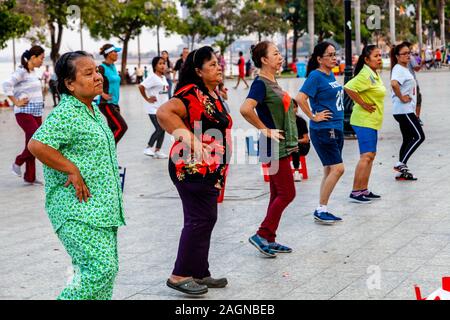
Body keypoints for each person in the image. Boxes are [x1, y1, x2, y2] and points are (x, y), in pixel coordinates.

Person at [28, 51, 126, 300]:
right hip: (76, 209)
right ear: (70, 84)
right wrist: (71, 169)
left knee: (105, 276)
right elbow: (37, 145)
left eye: (96, 71)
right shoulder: (67, 112)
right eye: (88, 73)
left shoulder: (91, 109)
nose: (97, 77)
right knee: (99, 271)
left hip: (101, 210)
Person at [157, 46, 232, 295]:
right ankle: (179, 275)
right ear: (198, 71)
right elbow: (164, 112)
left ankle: (199, 272)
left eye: (217, 63)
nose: (218, 67)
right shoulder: (190, 94)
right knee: (199, 219)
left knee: (207, 218)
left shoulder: (210, 93)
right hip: (190, 168)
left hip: (210, 168)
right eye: (212, 65)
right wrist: (190, 139)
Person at [240, 41, 298, 257]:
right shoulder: (260, 83)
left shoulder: (272, 81)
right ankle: (262, 233)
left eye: (279, 53)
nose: (280, 57)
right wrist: (265, 130)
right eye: (275, 53)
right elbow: (245, 109)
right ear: (264, 60)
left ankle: (270, 238)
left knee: (277, 193)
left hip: (279, 144)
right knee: (288, 193)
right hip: (273, 146)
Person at [295, 41, 345, 225]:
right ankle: (320, 209)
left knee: (329, 169)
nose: (334, 58)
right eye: (330, 55)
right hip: (324, 129)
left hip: (336, 127)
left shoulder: (330, 74)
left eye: (335, 54)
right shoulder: (315, 76)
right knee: (338, 169)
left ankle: (322, 208)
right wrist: (313, 116)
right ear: (319, 59)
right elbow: (300, 98)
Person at [344, 45, 386, 203]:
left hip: (372, 120)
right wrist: (362, 103)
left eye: (380, 55)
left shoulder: (373, 73)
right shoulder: (365, 74)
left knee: (370, 156)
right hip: (364, 120)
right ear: (367, 59)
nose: (379, 58)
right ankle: (356, 191)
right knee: (366, 156)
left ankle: (363, 189)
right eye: (376, 56)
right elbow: (348, 87)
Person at [2, 45, 45, 185]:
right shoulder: (21, 71)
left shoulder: (32, 72)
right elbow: (6, 84)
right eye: (41, 58)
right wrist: (15, 102)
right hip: (24, 112)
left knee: (31, 142)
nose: (42, 61)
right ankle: (18, 162)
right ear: (33, 57)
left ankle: (30, 177)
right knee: (36, 140)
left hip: (36, 112)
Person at [390, 42, 425, 181]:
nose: (407, 55)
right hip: (403, 110)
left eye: (409, 53)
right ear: (397, 56)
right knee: (419, 137)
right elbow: (394, 84)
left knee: (407, 139)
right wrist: (401, 97)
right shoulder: (398, 68)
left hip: (404, 110)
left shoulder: (404, 68)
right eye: (404, 53)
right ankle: (400, 164)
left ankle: (402, 173)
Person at [97, 44, 128, 145]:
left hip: (114, 102)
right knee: (122, 127)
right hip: (105, 103)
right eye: (115, 52)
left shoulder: (113, 67)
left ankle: (110, 159)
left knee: (113, 130)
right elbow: (93, 82)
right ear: (108, 54)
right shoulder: (101, 68)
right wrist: (102, 93)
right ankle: (106, 150)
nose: (117, 54)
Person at [138, 56, 169, 159]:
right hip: (153, 109)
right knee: (159, 128)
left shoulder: (163, 77)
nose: (162, 65)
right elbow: (141, 86)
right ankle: (148, 147)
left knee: (163, 129)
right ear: (155, 66)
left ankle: (158, 151)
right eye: (160, 63)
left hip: (163, 109)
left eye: (164, 63)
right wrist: (147, 98)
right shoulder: (152, 77)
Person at [291, 100, 310, 182]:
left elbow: (306, 139)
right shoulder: (283, 122)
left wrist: (295, 141)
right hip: (288, 146)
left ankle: (296, 171)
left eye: (294, 107)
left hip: (302, 146)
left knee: (295, 146)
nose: (292, 110)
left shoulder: (301, 121)